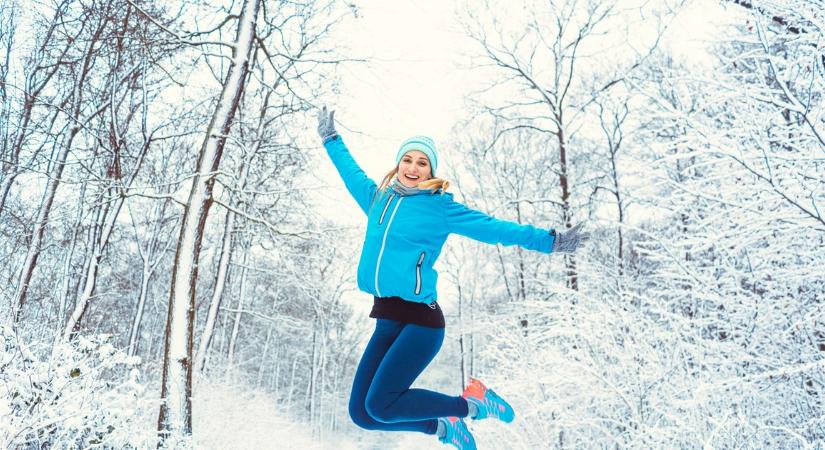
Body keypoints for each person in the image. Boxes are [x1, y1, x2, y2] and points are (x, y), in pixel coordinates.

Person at [316, 106, 588, 450]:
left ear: (430, 171)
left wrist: (550, 241)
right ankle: (444, 428)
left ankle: (472, 403)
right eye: (408, 160)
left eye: (422, 163)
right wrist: (330, 139)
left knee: (381, 403)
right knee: (363, 414)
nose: (413, 167)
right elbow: (349, 172)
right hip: (386, 320)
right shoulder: (378, 201)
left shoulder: (439, 207)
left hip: (421, 323)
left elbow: (493, 228)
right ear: (398, 164)